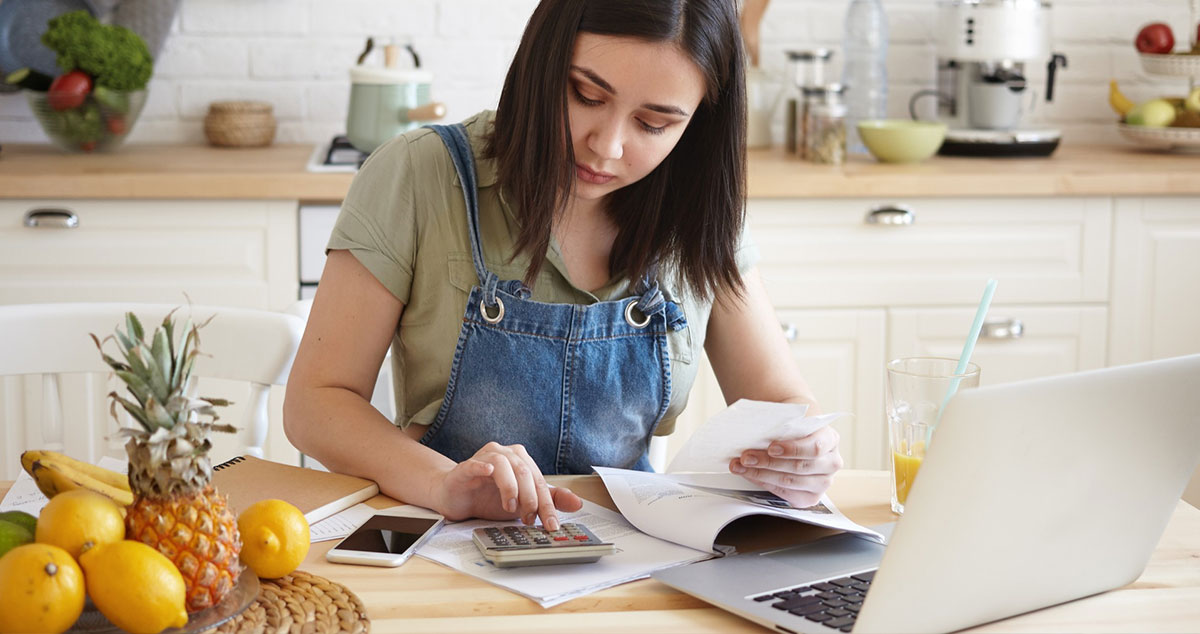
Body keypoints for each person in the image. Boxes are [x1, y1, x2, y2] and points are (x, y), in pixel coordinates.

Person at [284, 0, 841, 533]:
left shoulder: (700, 211)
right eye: (586, 95)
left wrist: (803, 448)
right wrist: (443, 483)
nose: (607, 147)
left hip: (630, 553)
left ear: (698, 124)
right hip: (444, 539)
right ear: (542, 59)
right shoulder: (420, 173)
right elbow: (316, 401)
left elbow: (780, 398)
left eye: (653, 124)